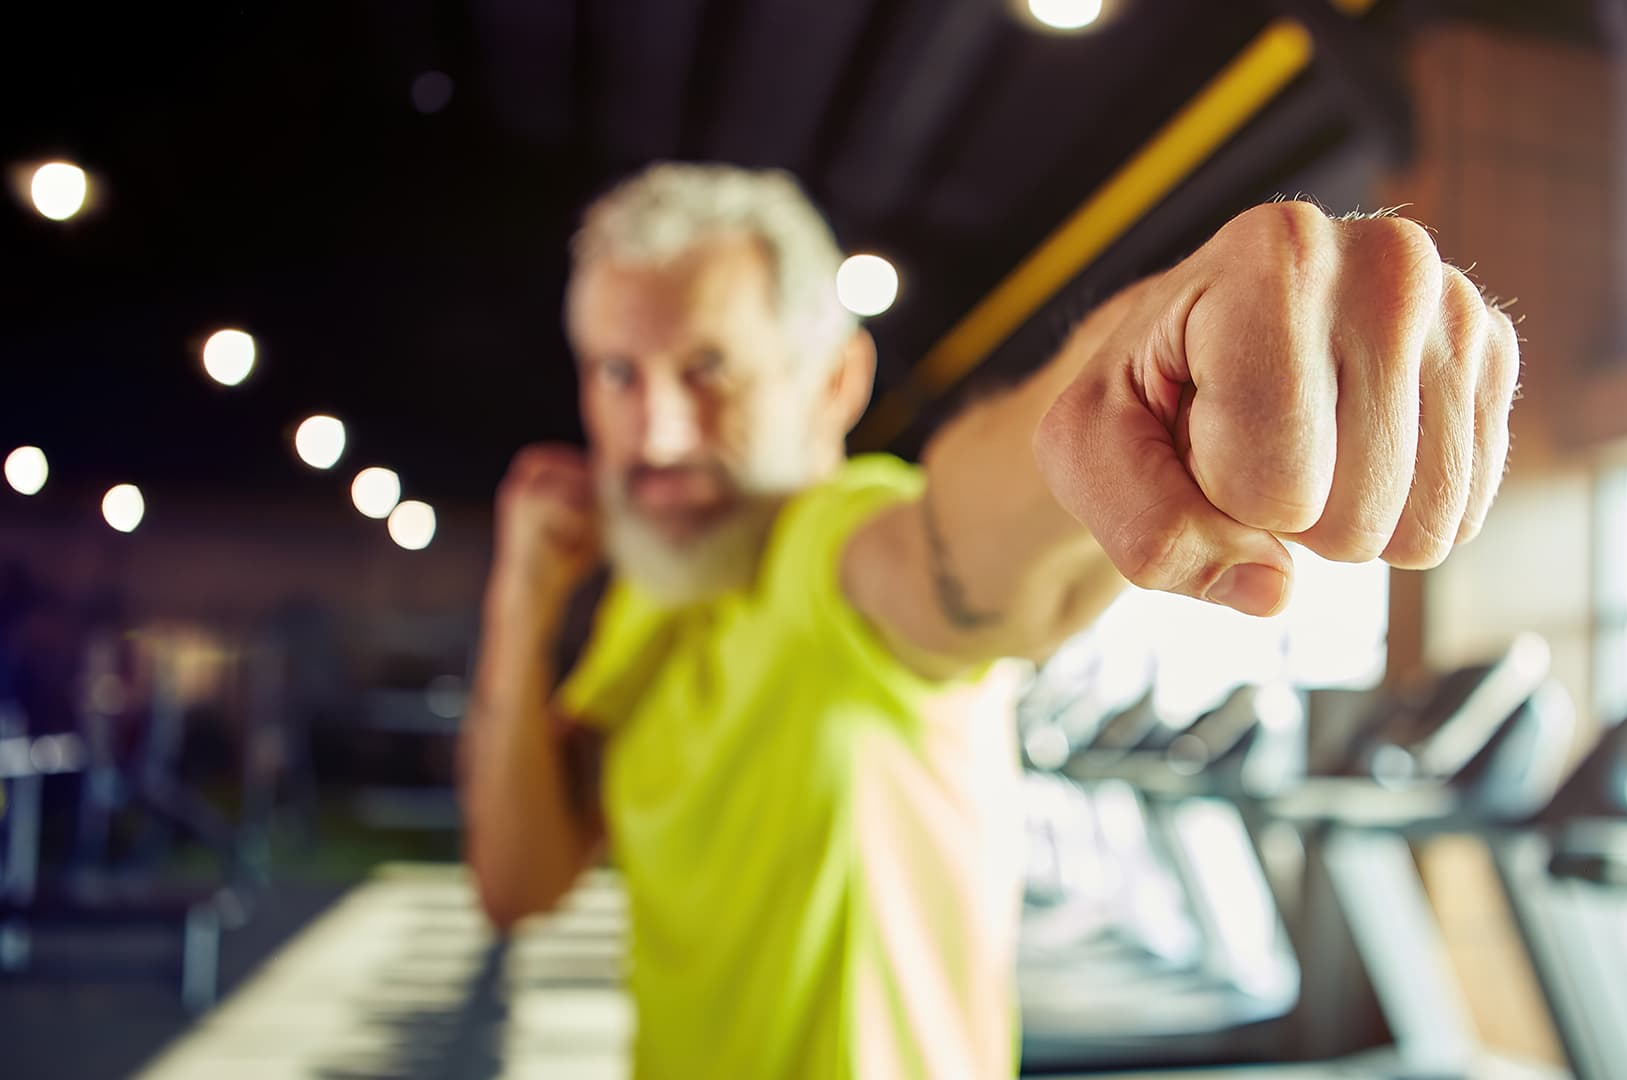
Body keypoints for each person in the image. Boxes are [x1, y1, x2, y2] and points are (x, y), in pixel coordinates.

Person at [461, 163, 1518, 1079]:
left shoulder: (833, 553)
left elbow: (957, 541)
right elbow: (518, 883)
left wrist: (1133, 359)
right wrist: (521, 600)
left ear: (834, 380)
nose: (658, 429)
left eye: (709, 369)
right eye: (618, 373)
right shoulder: (653, 593)